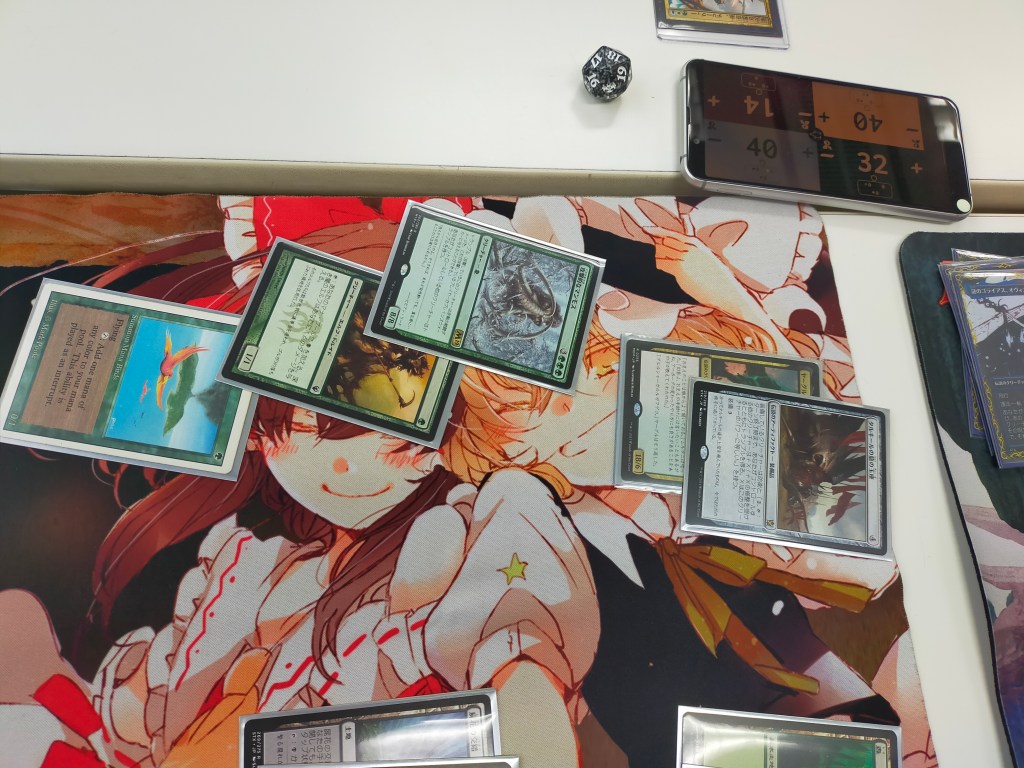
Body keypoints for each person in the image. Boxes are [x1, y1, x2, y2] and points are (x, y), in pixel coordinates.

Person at [0, 195, 932, 767]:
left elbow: (522, 649)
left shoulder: (509, 512)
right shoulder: (258, 571)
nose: (372, 451)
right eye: (318, 419)